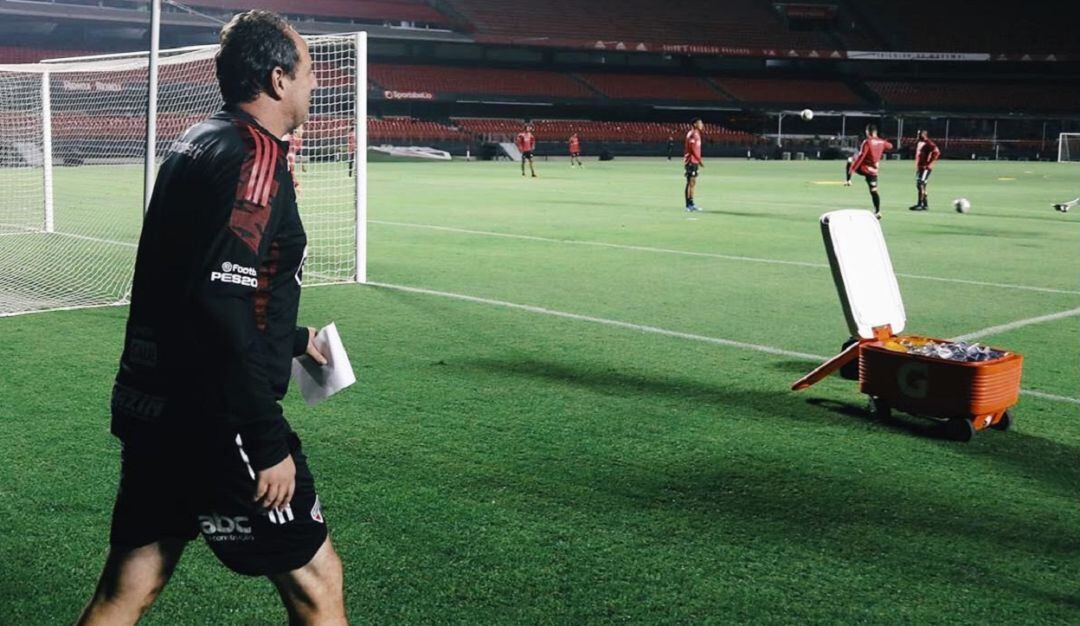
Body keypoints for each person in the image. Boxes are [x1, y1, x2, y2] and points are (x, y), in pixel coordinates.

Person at [77, 11, 348, 626]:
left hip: (153, 404)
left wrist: (296, 338)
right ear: (278, 80)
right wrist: (264, 438)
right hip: (218, 416)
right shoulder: (253, 160)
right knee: (317, 582)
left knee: (130, 587)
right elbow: (221, 304)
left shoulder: (199, 139)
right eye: (308, 72)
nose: (314, 84)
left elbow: (195, 284)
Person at [845, 123, 893, 219]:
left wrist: (852, 171)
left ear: (868, 132)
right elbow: (890, 146)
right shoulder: (881, 142)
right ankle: (878, 211)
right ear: (876, 132)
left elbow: (861, 157)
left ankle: (848, 180)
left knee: (850, 160)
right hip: (873, 171)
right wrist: (882, 143)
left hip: (864, 168)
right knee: (874, 190)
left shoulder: (867, 142)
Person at [909, 129, 940, 211]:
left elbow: (936, 152)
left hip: (925, 168)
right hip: (920, 167)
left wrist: (929, 163)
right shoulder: (920, 143)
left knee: (920, 184)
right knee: (922, 185)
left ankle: (920, 204)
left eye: (919, 134)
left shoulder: (928, 143)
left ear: (923, 135)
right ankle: (925, 204)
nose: (918, 136)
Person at [684, 118, 704, 211]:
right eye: (700, 123)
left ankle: (691, 203)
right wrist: (699, 160)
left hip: (694, 161)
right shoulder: (692, 134)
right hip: (691, 161)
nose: (702, 124)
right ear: (695, 124)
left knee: (693, 183)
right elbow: (692, 148)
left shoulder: (697, 133)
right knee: (690, 182)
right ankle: (688, 205)